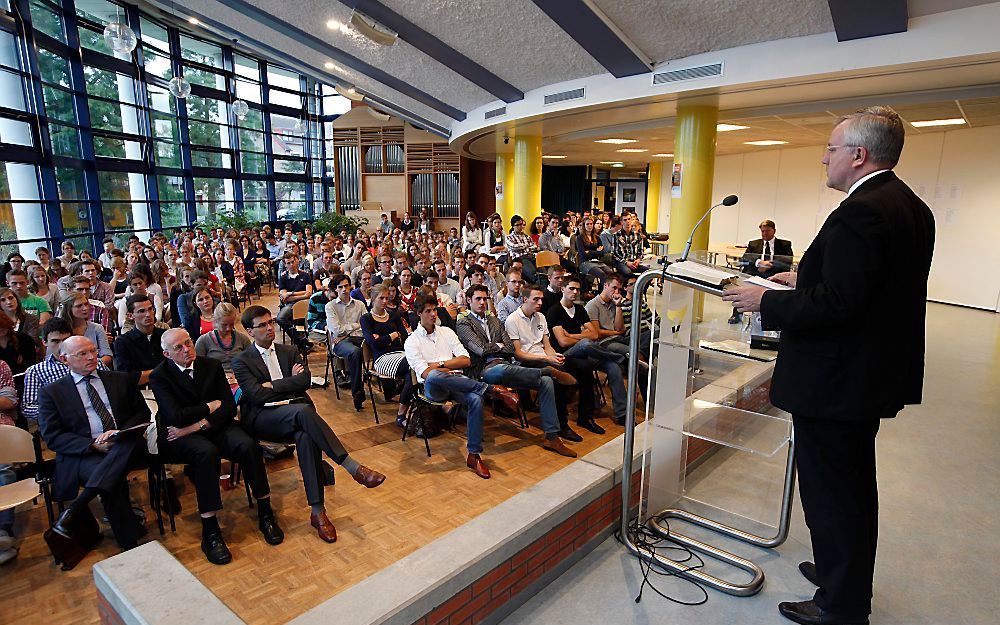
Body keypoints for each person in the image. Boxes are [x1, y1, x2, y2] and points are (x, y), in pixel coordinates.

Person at [722, 106, 935, 625]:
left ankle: (841, 606)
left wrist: (764, 301)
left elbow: (840, 306)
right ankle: (842, 573)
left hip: (837, 381)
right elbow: (869, 292)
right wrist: (805, 284)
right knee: (852, 486)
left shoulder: (862, 211)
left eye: (832, 149)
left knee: (834, 492)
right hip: (867, 376)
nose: (824, 158)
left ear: (859, 156)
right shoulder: (909, 205)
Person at [232, 306, 386, 543]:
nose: (269, 328)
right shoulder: (242, 360)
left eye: (270, 322)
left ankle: (318, 512)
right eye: (262, 325)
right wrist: (286, 382)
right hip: (264, 419)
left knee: (305, 435)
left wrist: (271, 385)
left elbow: (304, 381)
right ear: (249, 332)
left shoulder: (288, 350)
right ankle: (351, 466)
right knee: (303, 412)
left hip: (294, 410)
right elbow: (255, 395)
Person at [151, 328, 282, 565]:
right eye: (178, 347)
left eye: (188, 343)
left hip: (210, 427)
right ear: (167, 354)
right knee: (206, 453)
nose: (186, 349)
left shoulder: (210, 365)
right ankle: (210, 530)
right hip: (178, 437)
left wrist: (198, 423)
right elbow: (175, 416)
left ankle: (265, 512)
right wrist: (209, 407)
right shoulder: (160, 376)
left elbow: (229, 407)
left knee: (248, 445)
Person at [37, 336, 150, 552]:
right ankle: (130, 541)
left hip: (126, 443)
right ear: (64, 359)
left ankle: (77, 508)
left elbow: (142, 413)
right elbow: (53, 436)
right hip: (87, 453)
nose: (91, 357)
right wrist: (92, 445)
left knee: (124, 446)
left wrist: (119, 433)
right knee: (111, 479)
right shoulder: (52, 392)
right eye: (82, 354)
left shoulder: (119, 379)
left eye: (93, 351)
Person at [403, 293, 517, 479]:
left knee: (475, 400)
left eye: (435, 310)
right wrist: (443, 367)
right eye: (428, 311)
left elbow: (465, 360)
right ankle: (490, 389)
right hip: (433, 390)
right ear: (418, 314)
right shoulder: (412, 341)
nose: (433, 314)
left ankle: (474, 455)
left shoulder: (447, 332)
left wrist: (439, 365)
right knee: (433, 377)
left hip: (459, 384)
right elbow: (424, 373)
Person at [456, 284, 577, 458]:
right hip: (483, 370)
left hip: (507, 364)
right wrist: (498, 346)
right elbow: (480, 350)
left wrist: (497, 347)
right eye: (478, 299)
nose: (483, 303)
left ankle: (551, 437)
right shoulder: (463, 322)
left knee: (546, 383)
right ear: (469, 301)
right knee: (504, 370)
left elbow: (510, 349)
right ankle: (546, 371)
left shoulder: (494, 320)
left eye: (485, 299)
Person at [547, 275, 628, 430]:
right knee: (585, 344)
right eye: (571, 288)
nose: (575, 292)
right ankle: (621, 358)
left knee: (612, 367)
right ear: (562, 289)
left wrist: (570, 335)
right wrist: (580, 338)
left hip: (586, 352)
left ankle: (622, 413)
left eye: (577, 289)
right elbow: (562, 342)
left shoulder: (579, 309)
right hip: (565, 355)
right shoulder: (554, 311)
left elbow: (595, 334)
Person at [504, 285, 581, 442]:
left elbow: (547, 346)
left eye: (541, 299)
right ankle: (561, 424)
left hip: (543, 358)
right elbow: (518, 353)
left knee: (573, 366)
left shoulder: (541, 317)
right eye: (536, 299)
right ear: (525, 299)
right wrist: (547, 359)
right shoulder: (512, 320)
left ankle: (572, 418)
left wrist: (554, 356)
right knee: (556, 378)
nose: (540, 303)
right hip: (525, 362)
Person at [360, 284, 412, 426]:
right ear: (373, 298)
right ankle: (404, 413)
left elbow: (405, 336)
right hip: (382, 359)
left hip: (400, 354)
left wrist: (383, 339)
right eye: (381, 298)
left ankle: (404, 412)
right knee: (413, 367)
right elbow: (373, 344)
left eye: (386, 298)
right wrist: (392, 335)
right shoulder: (366, 319)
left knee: (413, 370)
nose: (384, 301)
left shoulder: (394, 315)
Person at [729, 220, 795, 324]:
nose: (764, 233)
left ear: (774, 231)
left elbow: (787, 261)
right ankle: (736, 314)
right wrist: (759, 262)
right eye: (762, 231)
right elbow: (745, 259)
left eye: (767, 231)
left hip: (774, 274)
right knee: (742, 288)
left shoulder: (784, 244)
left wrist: (769, 265)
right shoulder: (753, 244)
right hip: (756, 273)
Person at [325, 274, 367, 411]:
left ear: (351, 286)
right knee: (355, 352)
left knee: (378, 343)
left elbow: (366, 324)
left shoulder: (360, 304)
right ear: (335, 289)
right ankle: (357, 392)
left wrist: (347, 331)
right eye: (340, 287)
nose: (344, 289)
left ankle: (390, 387)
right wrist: (356, 325)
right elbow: (336, 331)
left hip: (358, 338)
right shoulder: (330, 306)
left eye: (346, 286)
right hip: (340, 343)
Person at [113, 295, 166, 385]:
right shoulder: (123, 342)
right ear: (130, 316)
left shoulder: (165, 335)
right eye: (141, 311)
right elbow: (127, 377)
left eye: (150, 309)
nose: (148, 314)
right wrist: (163, 372)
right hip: (142, 391)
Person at [195, 303, 252, 377]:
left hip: (240, 378)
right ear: (215, 321)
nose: (228, 328)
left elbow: (251, 363)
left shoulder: (243, 339)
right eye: (224, 325)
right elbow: (199, 368)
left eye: (231, 324)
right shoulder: (203, 341)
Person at [58, 293, 112, 367]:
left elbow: (107, 356)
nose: (85, 308)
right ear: (69, 309)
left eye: (86, 304)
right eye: (79, 306)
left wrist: (88, 365)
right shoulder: (59, 331)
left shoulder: (97, 328)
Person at [0, 311, 36, 376]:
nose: (1, 329)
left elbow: (33, 362)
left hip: (25, 377)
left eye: (3, 326)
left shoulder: (23, 338)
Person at [506, 216, 538, 283]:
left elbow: (535, 247)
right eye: (517, 225)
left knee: (543, 271)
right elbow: (515, 247)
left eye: (521, 224)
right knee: (533, 273)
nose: (520, 227)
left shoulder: (527, 236)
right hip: (519, 259)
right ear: (512, 226)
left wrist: (522, 247)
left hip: (531, 256)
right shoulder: (509, 237)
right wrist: (527, 246)